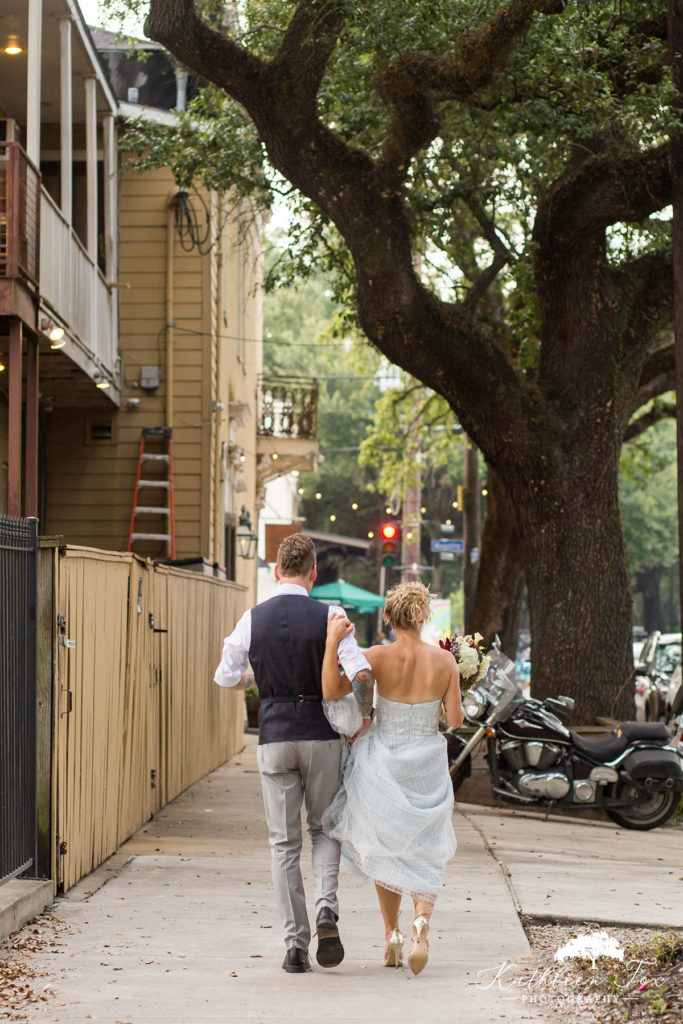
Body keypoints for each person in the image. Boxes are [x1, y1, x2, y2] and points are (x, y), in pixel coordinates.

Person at [213, 533, 372, 974]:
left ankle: (296, 947)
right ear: (314, 574)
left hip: (275, 736)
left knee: (284, 844)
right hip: (321, 736)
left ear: (278, 571)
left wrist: (257, 678)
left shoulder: (252, 618)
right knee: (324, 830)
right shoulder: (331, 615)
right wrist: (362, 720)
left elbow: (225, 676)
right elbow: (361, 671)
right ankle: (326, 909)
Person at [321, 581, 464, 975]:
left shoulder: (376, 657)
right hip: (427, 763)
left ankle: (392, 936)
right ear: (424, 617)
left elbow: (333, 688)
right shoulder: (445, 662)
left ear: (388, 616)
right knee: (427, 846)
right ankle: (422, 923)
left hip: (382, 759)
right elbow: (454, 720)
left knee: (386, 847)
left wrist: (333, 644)